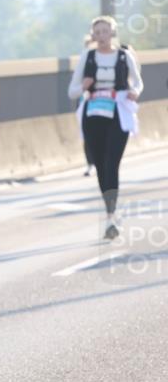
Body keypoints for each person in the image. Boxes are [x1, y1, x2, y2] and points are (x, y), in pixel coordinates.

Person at [68, 17, 143, 239]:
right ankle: (109, 212)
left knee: (112, 162)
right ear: (93, 35)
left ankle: (112, 214)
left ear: (113, 33)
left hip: (118, 112)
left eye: (105, 32)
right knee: (100, 164)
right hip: (94, 114)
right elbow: (72, 91)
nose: (102, 36)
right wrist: (84, 86)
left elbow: (138, 81)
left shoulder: (124, 55)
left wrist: (134, 92)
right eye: (97, 32)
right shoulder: (87, 57)